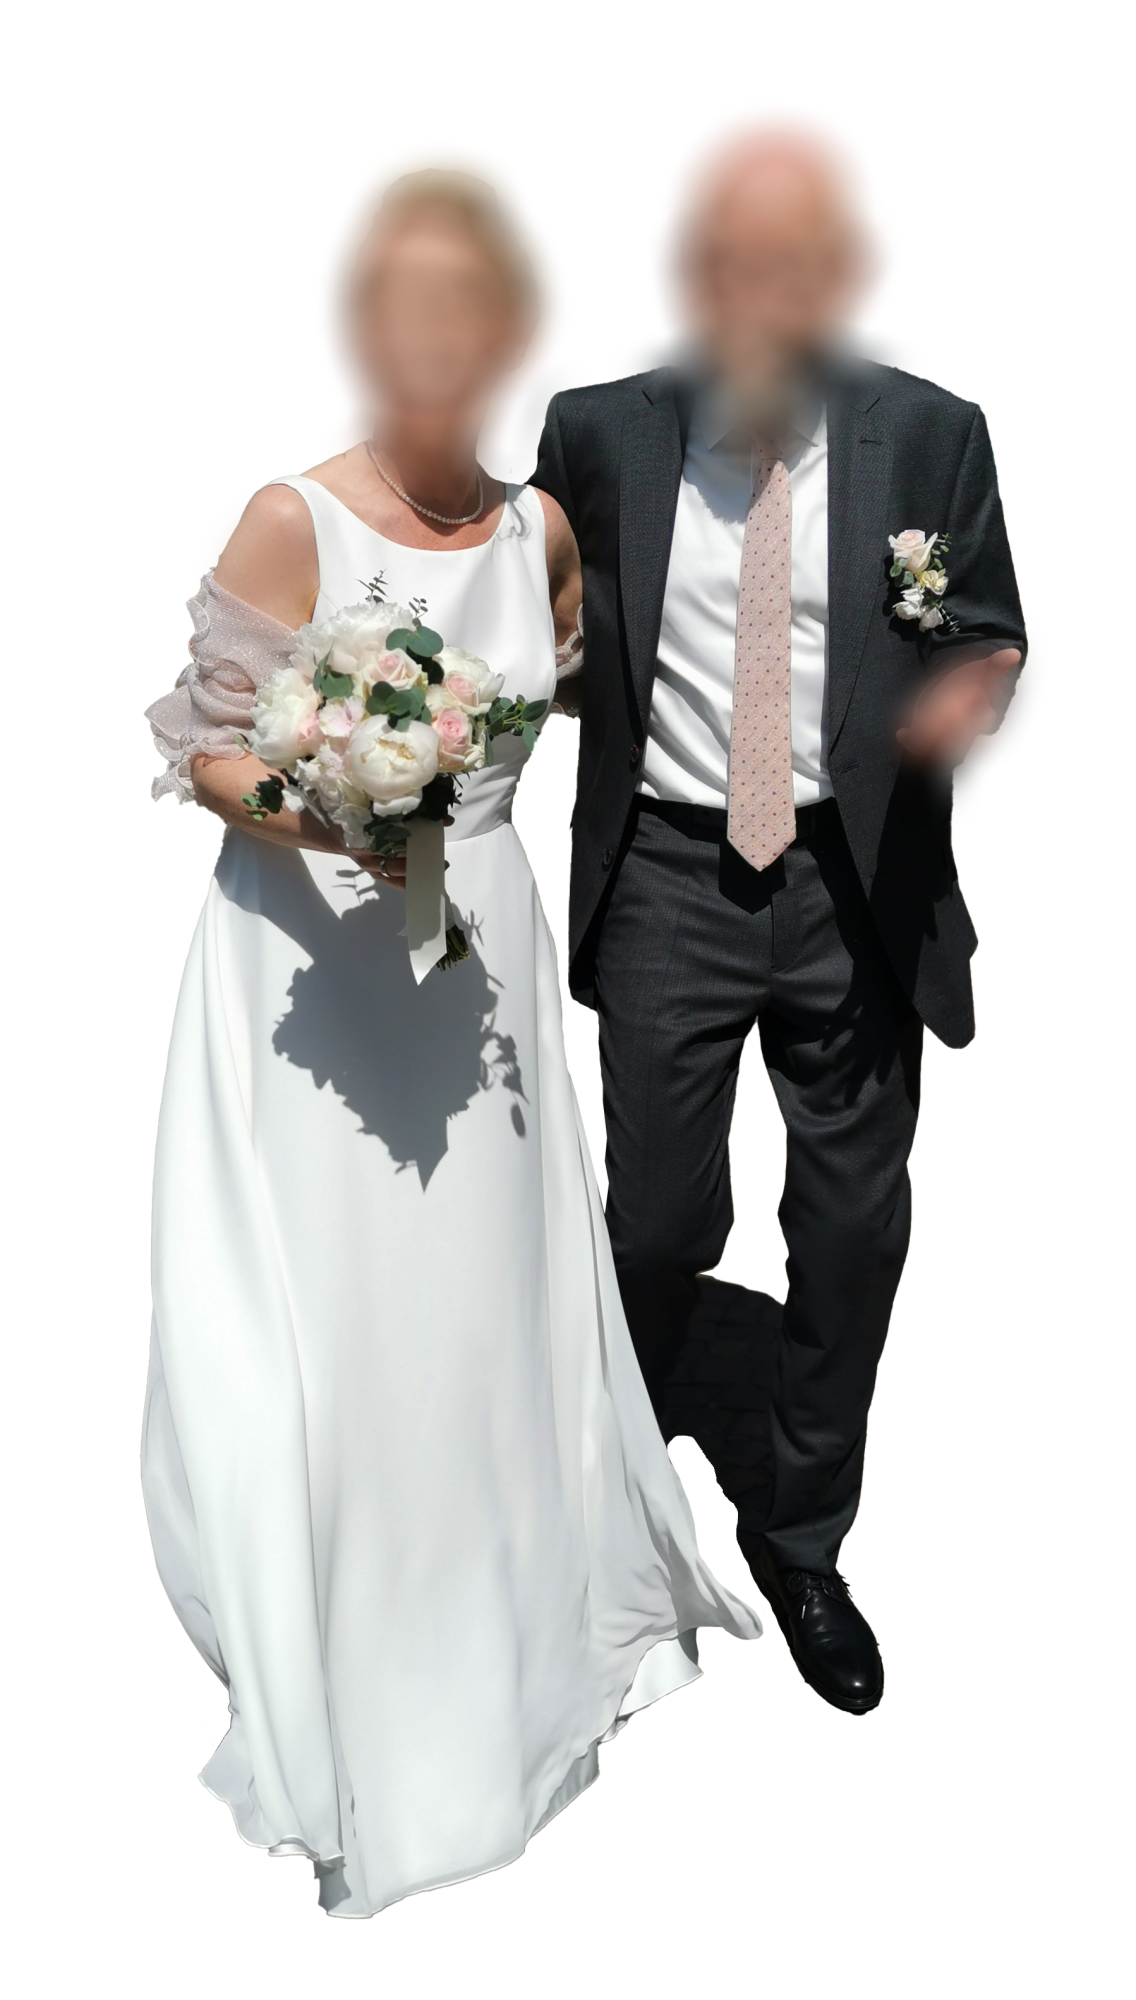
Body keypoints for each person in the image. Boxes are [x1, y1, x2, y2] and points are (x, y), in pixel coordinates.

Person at [143, 170, 758, 1920]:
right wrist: (336, 806)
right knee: (339, 1310)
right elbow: (204, 750)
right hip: (317, 967)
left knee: (483, 1301)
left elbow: (567, 699)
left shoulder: (540, 533)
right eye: (403, 308)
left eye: (465, 313)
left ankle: (496, 1602)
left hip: (478, 958)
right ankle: (339, 1635)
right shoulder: (290, 517)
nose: (435, 342)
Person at [532, 132, 1026, 1714]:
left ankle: (803, 1538)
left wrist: (963, 696)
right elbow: (538, 631)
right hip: (671, 874)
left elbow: (988, 625)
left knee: (853, 1229)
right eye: (730, 266)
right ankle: (602, 1489)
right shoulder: (599, 433)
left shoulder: (929, 435)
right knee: (658, 1221)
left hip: (853, 884)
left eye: (789, 267)